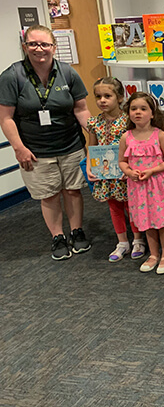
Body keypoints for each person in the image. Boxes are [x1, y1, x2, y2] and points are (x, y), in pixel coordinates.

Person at [0, 25, 91, 260]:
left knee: (73, 191)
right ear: (24, 46)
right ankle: (58, 236)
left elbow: (81, 109)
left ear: (54, 47)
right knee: (48, 195)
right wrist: (19, 148)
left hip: (70, 143)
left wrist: (98, 133)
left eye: (44, 44)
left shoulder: (68, 73)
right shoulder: (12, 76)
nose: (39, 49)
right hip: (34, 149)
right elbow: (6, 118)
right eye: (33, 44)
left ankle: (77, 231)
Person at [118, 92, 164, 275]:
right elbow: (121, 161)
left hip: (158, 185)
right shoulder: (125, 137)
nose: (138, 112)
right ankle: (153, 254)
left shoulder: (160, 135)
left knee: (162, 221)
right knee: (147, 221)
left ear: (152, 113)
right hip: (138, 187)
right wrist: (129, 171)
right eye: (133, 109)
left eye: (143, 109)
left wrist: (152, 170)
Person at [86, 77, 145, 262]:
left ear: (119, 97)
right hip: (106, 175)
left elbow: (137, 145)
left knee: (132, 206)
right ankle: (122, 242)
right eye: (98, 96)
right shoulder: (95, 123)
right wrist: (89, 166)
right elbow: (92, 147)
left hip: (126, 173)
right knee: (114, 207)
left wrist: (130, 169)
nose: (102, 100)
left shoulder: (128, 120)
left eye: (107, 96)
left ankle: (138, 240)